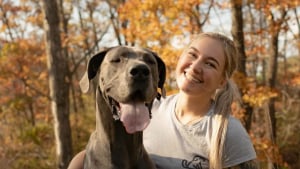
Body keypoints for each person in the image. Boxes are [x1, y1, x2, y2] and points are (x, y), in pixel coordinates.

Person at [68, 32, 257, 169]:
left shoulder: (227, 131)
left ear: (222, 80)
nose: (196, 66)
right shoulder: (148, 112)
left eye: (210, 64)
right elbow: (104, 149)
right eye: (192, 55)